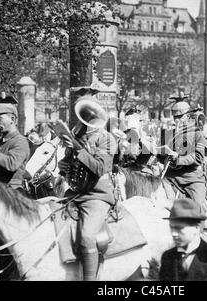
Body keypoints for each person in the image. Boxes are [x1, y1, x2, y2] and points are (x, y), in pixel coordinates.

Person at [57, 95, 117, 281]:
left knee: (87, 236)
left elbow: (100, 168)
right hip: (75, 192)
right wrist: (64, 165)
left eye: (90, 116)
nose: (85, 120)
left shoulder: (107, 139)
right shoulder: (77, 136)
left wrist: (77, 148)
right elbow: (70, 164)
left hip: (96, 195)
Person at [163, 99, 207, 212]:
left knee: (199, 205)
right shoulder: (170, 134)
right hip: (171, 176)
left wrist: (179, 158)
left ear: (187, 116)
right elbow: (163, 154)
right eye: (175, 117)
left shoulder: (198, 134)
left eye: (180, 117)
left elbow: (198, 157)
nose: (176, 120)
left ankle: (200, 229)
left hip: (191, 177)